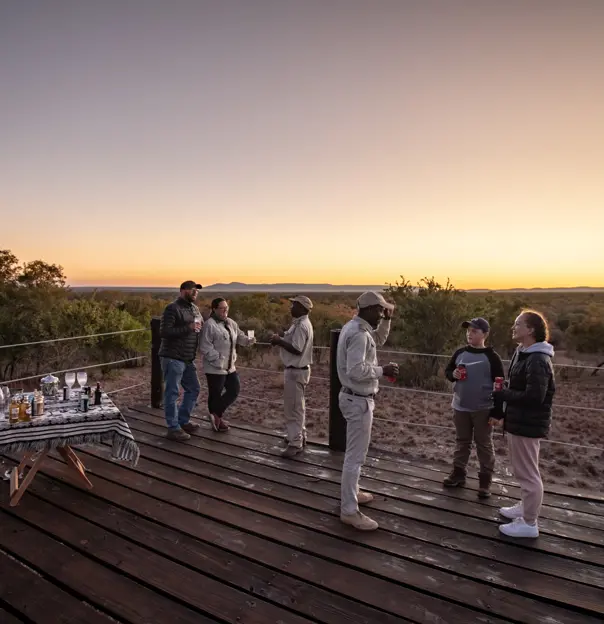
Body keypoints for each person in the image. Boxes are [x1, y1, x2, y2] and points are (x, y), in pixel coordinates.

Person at [337, 291, 398, 531]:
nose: (382, 313)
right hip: (358, 401)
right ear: (370, 309)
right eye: (381, 310)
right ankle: (349, 510)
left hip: (353, 399)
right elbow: (356, 370)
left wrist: (388, 320)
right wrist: (383, 371)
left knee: (354, 455)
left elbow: (379, 340)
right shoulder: (359, 335)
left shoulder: (354, 327)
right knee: (355, 457)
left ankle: (352, 493)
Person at [493, 309, 555, 538]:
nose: (513, 327)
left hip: (527, 423)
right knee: (523, 470)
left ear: (530, 330)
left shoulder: (538, 359)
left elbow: (534, 397)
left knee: (529, 473)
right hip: (519, 421)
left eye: (518, 324)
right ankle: (525, 507)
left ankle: (529, 523)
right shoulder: (525, 353)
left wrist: (505, 394)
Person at [443, 317, 505, 498]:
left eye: (474, 331)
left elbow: (500, 385)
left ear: (485, 334)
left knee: (484, 444)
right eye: (468, 331)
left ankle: (485, 482)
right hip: (460, 406)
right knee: (462, 441)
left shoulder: (492, 358)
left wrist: (497, 412)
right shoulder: (460, 353)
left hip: (483, 408)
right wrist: (452, 374)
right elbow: (448, 371)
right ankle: (458, 474)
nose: (470, 334)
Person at [200, 297, 256, 432]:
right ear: (214, 309)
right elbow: (204, 347)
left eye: (227, 308)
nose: (225, 310)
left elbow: (240, 337)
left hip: (230, 367)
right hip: (215, 367)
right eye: (222, 308)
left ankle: (215, 415)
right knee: (215, 394)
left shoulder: (230, 322)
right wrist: (218, 359)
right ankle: (217, 421)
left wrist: (248, 341)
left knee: (234, 390)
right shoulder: (209, 325)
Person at [158, 280, 203, 441]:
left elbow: (197, 326)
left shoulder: (194, 308)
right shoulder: (172, 308)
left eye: (197, 291)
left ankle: (182, 421)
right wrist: (188, 328)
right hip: (172, 357)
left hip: (187, 358)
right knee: (172, 392)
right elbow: (164, 332)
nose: (196, 292)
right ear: (183, 290)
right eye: (193, 290)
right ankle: (173, 428)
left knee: (194, 388)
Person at [270, 295, 314, 458]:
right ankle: (297, 437)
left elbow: (297, 348)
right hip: (296, 371)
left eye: (294, 305)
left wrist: (279, 341)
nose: (291, 307)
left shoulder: (302, 326)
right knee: (295, 406)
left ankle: (295, 443)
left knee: (294, 408)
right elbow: (292, 341)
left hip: (296, 371)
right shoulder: (299, 324)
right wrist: (281, 337)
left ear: (302, 308)